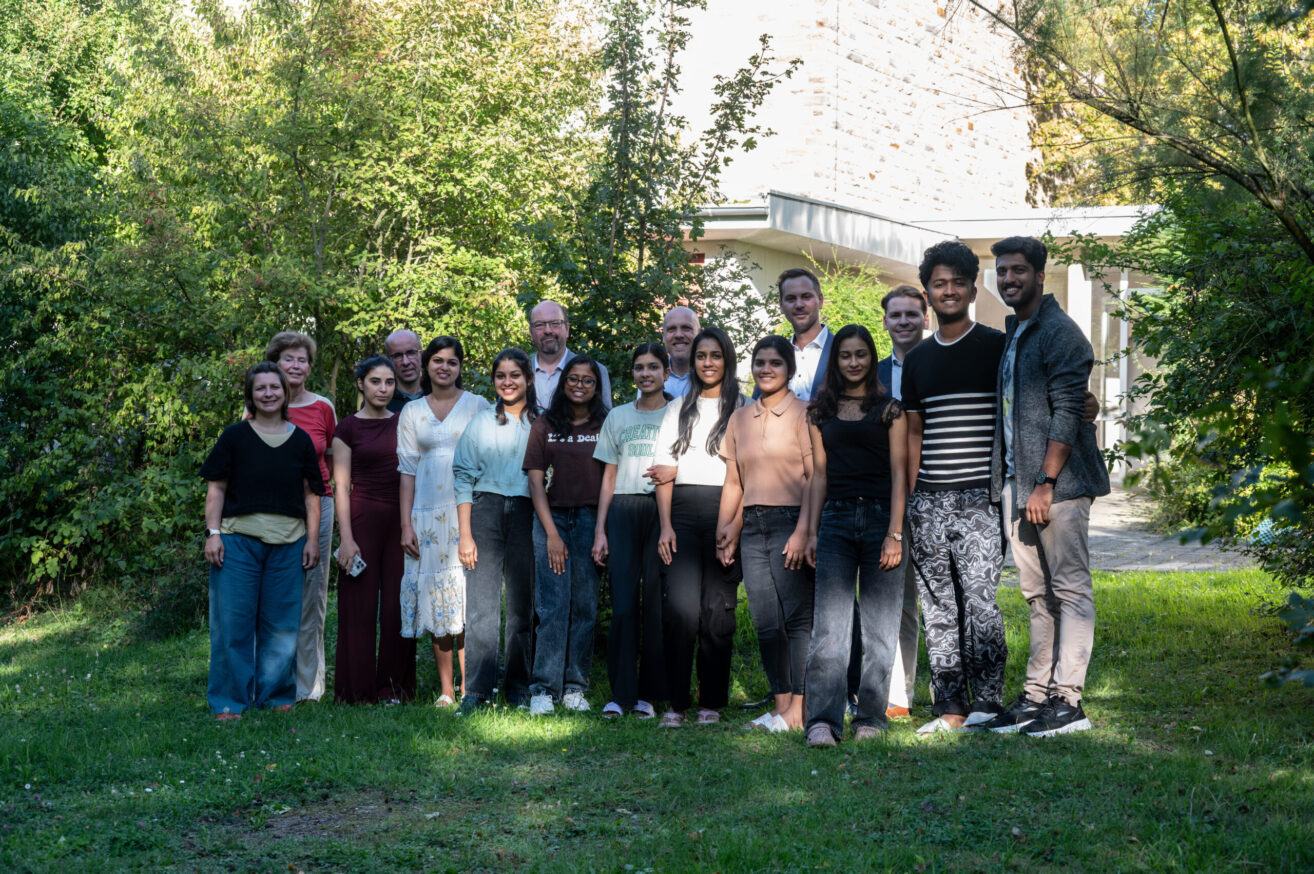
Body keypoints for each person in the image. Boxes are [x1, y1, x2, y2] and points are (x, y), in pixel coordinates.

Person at [982, 236, 1110, 737]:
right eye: (1002, 271)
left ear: (1039, 274)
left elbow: (1068, 412)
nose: (1008, 279)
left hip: (1058, 486)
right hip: (1020, 483)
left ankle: (1068, 701)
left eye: (1017, 270)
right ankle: (1037, 695)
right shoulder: (1017, 331)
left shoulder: (1060, 333)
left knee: (1070, 589)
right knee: (1037, 594)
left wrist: (1046, 483)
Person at [901, 241, 1009, 733]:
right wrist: (911, 499)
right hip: (928, 500)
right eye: (939, 284)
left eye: (957, 283)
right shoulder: (918, 359)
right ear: (927, 292)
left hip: (980, 499)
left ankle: (987, 701)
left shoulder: (996, 347)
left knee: (980, 602)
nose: (948, 291)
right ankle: (950, 705)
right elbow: (914, 433)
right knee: (938, 605)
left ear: (972, 289)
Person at [801, 325, 909, 747]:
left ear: (871, 357)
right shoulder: (819, 412)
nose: (853, 362)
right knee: (830, 627)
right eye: (845, 355)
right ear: (836, 360)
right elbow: (818, 476)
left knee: (880, 629)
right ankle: (822, 721)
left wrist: (895, 533)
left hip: (882, 520)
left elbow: (899, 473)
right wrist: (811, 531)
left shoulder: (890, 410)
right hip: (836, 521)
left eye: (861, 354)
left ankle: (871, 718)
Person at [202, 362, 324, 719]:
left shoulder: (300, 440)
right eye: (261, 388)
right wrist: (213, 534)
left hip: (289, 544)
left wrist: (312, 540)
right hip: (238, 542)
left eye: (275, 387)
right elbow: (216, 488)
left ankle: (276, 696)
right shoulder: (234, 437)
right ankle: (229, 701)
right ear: (251, 395)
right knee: (233, 624)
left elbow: (312, 495)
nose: (268, 394)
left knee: (282, 625)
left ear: (285, 393)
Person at [717, 335, 814, 733]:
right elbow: (734, 482)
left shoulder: (805, 414)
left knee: (798, 619)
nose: (766, 369)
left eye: (775, 362)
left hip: (791, 521)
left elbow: (813, 477)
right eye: (760, 362)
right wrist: (726, 528)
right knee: (765, 620)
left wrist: (804, 530)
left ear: (790, 369)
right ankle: (781, 706)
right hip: (752, 526)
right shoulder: (739, 418)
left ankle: (800, 709)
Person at [653, 327, 746, 728]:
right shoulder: (677, 408)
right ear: (692, 362)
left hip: (727, 511)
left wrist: (735, 525)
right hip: (683, 514)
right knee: (682, 610)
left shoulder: (743, 408)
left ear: (727, 360)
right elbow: (664, 471)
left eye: (715, 355)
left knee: (717, 612)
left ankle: (711, 701)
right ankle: (676, 703)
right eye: (701, 356)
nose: (708, 362)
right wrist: (665, 526)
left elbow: (749, 474)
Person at [397, 336, 490, 707]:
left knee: (466, 598)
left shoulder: (478, 406)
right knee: (437, 596)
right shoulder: (411, 412)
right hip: (425, 516)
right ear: (427, 365)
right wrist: (405, 524)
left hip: (467, 513)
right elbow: (406, 471)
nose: (444, 367)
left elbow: (489, 459)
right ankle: (446, 690)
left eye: (452, 361)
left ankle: (472, 688)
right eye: (437, 360)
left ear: (460, 367)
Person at [452, 349, 540, 713]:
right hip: (484, 512)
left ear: (528, 379)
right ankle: (477, 690)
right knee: (481, 607)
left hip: (527, 513)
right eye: (500, 376)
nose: (507, 382)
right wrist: (465, 534)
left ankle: (518, 687)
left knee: (522, 606)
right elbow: (462, 476)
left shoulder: (542, 423)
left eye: (515, 375)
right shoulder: (481, 422)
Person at [522, 355, 608, 715]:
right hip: (551, 519)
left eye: (588, 380)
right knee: (552, 604)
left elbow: (611, 479)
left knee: (584, 605)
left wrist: (601, 530)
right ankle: (544, 688)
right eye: (573, 378)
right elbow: (535, 482)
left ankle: (575, 686)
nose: (579, 385)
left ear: (596, 386)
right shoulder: (545, 423)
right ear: (563, 382)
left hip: (591, 519)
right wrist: (551, 534)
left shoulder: (606, 423)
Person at [591, 343, 672, 719]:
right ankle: (620, 694)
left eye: (653, 367)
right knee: (623, 605)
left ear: (666, 373)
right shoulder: (618, 416)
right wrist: (600, 530)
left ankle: (650, 695)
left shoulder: (678, 414)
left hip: (661, 511)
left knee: (655, 604)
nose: (645, 374)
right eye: (639, 367)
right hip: (622, 511)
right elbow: (607, 476)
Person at [330, 356, 416, 705]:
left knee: (398, 605)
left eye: (389, 382)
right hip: (362, 520)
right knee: (359, 606)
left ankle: (393, 689)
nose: (383, 389)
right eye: (375, 381)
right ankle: (356, 691)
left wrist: (411, 525)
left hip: (402, 521)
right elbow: (340, 486)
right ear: (361, 384)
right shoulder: (347, 428)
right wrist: (346, 539)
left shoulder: (406, 421)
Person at [264, 331, 337, 704]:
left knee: (312, 595)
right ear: (275, 364)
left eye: (302, 360)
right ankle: (272, 680)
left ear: (310, 367)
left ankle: (308, 686)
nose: (295, 366)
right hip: (270, 511)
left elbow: (333, 460)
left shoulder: (323, 407)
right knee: (273, 595)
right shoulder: (261, 404)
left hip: (318, 508)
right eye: (288, 359)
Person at [871, 285, 931, 719]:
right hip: (888, 498)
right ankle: (898, 695)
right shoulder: (870, 376)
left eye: (912, 314)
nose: (904, 321)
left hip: (940, 492)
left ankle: (955, 692)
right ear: (886, 322)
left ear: (925, 319)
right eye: (896, 315)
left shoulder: (941, 363)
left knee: (948, 596)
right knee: (898, 597)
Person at [527, 300, 612, 405]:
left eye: (555, 323)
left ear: (567, 329)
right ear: (531, 333)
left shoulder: (596, 371)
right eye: (539, 325)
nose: (548, 330)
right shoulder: (518, 374)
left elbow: (604, 414)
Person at [778, 268, 832, 401]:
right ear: (781, 306)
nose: (799, 305)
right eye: (791, 299)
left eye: (806, 297)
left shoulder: (841, 351)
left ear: (820, 300)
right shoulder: (776, 355)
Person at [660, 307, 700, 397]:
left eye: (686, 328)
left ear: (700, 333)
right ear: (663, 336)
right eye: (672, 329)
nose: (679, 335)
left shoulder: (714, 376)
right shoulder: (651, 376)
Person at [384, 329, 425, 413]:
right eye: (397, 356)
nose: (405, 362)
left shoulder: (439, 395)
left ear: (421, 355)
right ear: (388, 361)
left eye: (411, 353)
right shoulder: (380, 403)